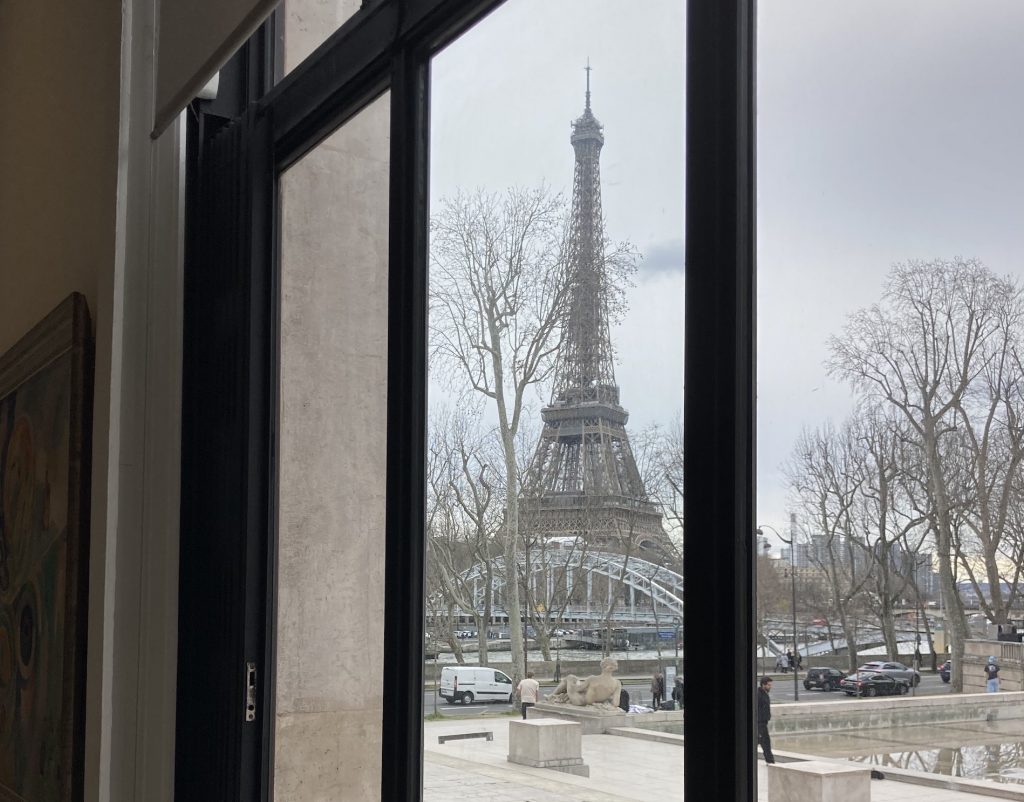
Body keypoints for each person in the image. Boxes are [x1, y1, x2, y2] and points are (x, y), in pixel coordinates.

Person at [757, 676, 775, 764]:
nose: (770, 687)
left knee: (762, 741)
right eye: (769, 685)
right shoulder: (758, 694)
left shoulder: (764, 693)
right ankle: (770, 761)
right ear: (763, 685)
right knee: (766, 742)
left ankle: (770, 760)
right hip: (759, 723)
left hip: (763, 722)